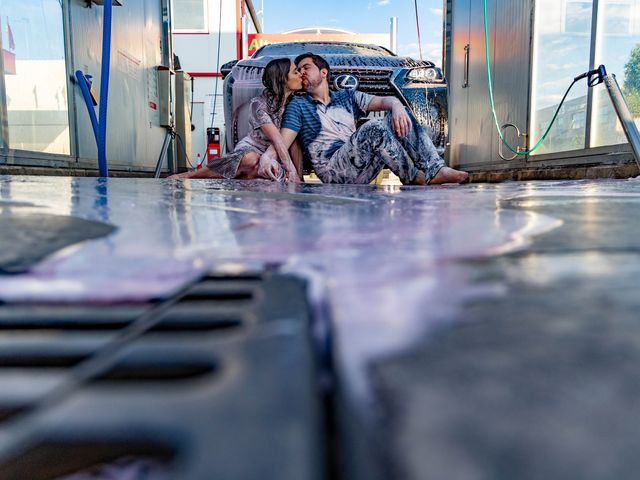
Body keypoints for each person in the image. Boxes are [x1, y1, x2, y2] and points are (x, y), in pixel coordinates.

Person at [258, 53, 468, 185]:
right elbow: (282, 140)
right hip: (333, 170)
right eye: (298, 70)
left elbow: (383, 101)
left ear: (323, 72)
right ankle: (415, 177)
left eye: (306, 67)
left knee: (398, 113)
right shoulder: (299, 105)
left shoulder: (347, 97)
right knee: (374, 127)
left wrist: (396, 105)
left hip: (361, 167)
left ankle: (435, 168)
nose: (301, 72)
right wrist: (267, 157)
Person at [172, 58, 303, 181]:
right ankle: (191, 174)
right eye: (295, 72)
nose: (300, 74)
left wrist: (298, 176)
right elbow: (277, 140)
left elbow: (294, 143)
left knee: (265, 169)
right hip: (252, 148)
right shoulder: (259, 104)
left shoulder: (295, 105)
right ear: (282, 78)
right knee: (251, 159)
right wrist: (291, 170)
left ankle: (240, 179)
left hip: (276, 154)